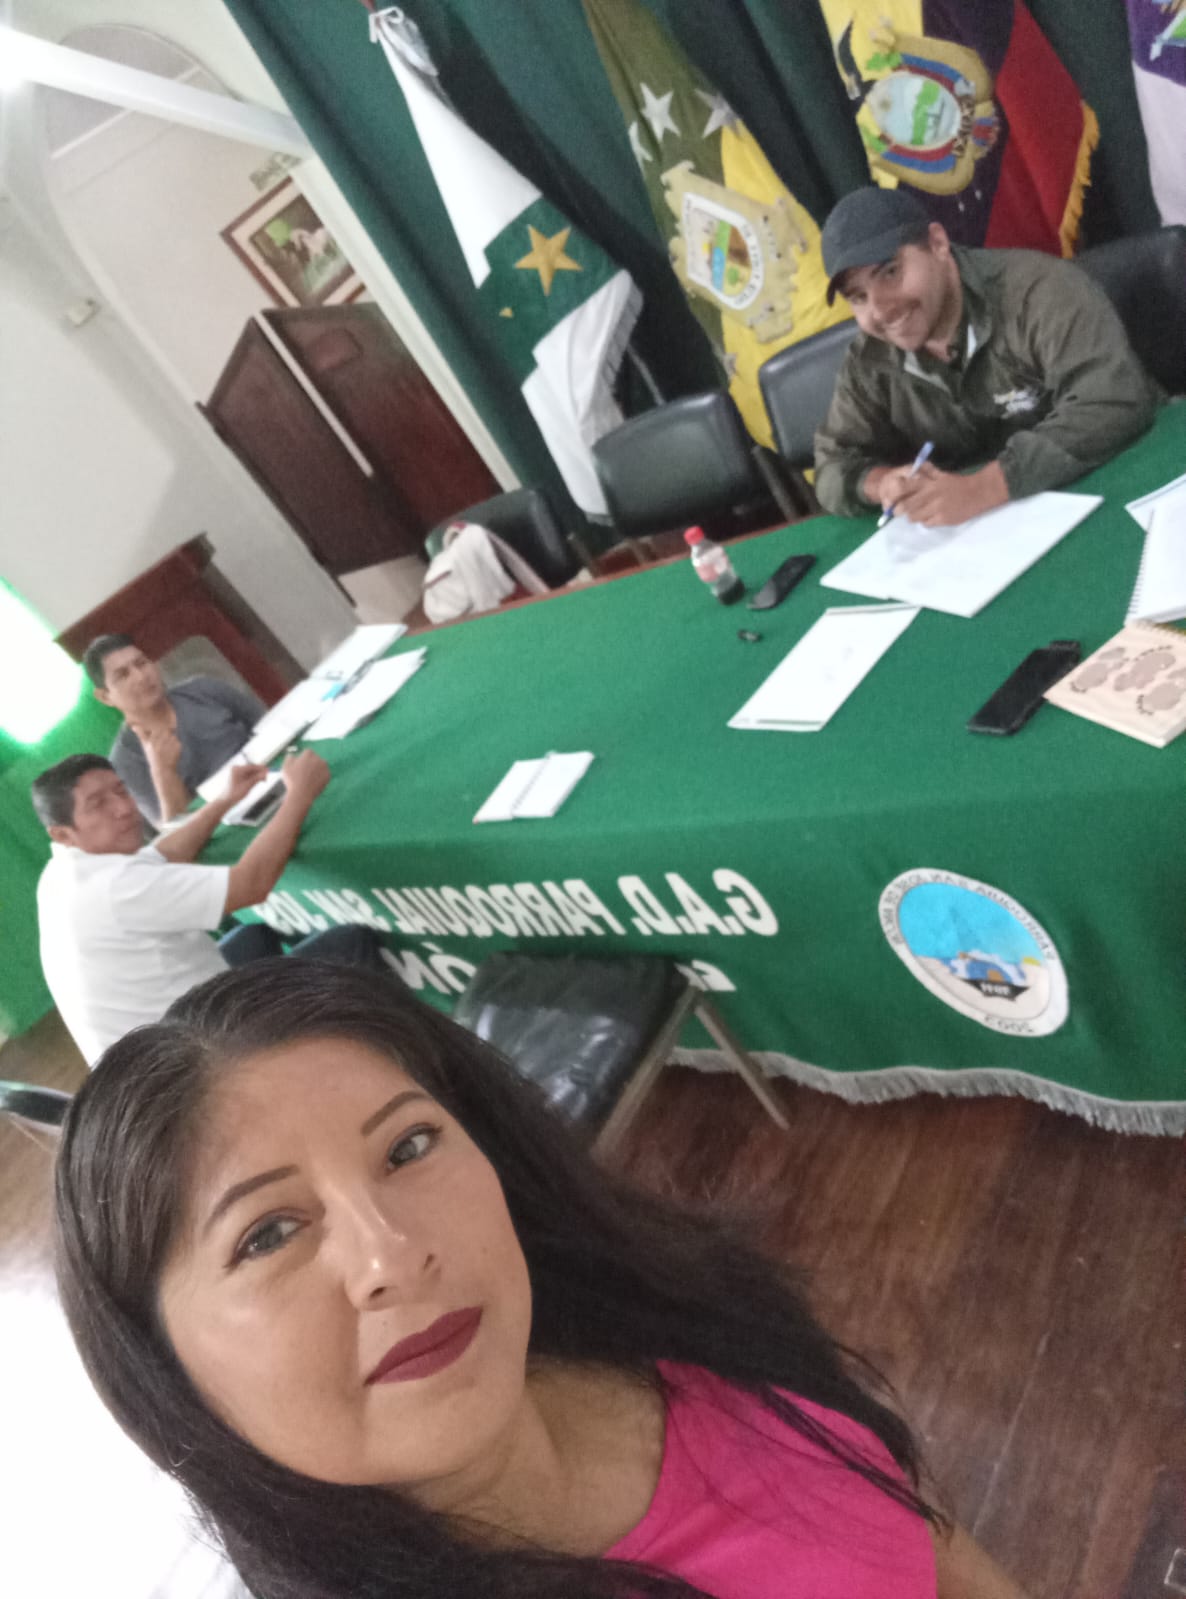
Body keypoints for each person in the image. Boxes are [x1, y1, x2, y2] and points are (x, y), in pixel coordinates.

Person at [55, 960, 1027, 1599]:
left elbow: (919, 1530)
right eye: (268, 1233)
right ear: (162, 1364)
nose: (392, 1256)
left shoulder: (673, 1312)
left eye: (409, 1146)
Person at [812, 187, 1160, 527]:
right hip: (997, 531)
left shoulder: (1035, 291)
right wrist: (882, 483)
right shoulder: (870, 356)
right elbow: (831, 465)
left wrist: (984, 488)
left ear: (938, 243)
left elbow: (1112, 399)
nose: (880, 310)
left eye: (891, 272)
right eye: (858, 297)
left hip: (1128, 484)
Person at [31, 751, 385, 1066]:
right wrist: (300, 795)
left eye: (120, 791)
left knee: (253, 935)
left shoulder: (65, 870)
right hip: (196, 1060)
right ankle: (378, 1060)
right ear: (63, 833)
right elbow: (251, 883)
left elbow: (162, 855)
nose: (123, 809)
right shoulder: (116, 888)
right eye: (97, 804)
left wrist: (226, 800)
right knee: (349, 944)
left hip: (154, 1045)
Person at [83, 633, 265, 824]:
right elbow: (175, 830)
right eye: (123, 675)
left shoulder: (204, 689)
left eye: (142, 663)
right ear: (105, 697)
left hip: (264, 775)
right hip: (226, 821)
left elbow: (269, 725)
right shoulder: (125, 763)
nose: (141, 677)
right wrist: (163, 771)